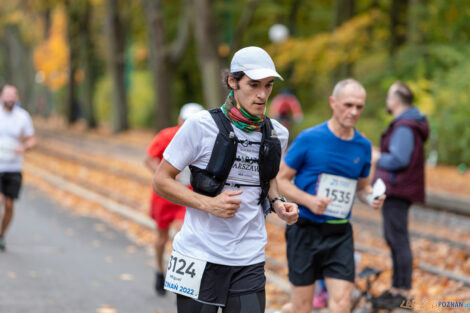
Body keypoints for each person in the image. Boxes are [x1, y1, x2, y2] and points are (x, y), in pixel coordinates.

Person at [152, 46, 298, 313]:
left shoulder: (277, 133)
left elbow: (269, 178)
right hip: (199, 254)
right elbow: (161, 180)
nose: (262, 94)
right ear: (232, 81)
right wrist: (209, 204)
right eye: (253, 85)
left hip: (249, 258)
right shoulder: (199, 126)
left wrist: (278, 202)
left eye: (268, 86)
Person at [276, 79, 386, 313]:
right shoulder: (309, 138)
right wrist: (309, 201)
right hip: (304, 230)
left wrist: (371, 198)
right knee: (302, 307)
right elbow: (280, 180)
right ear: (333, 103)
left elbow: (362, 187)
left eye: (359, 107)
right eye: (348, 105)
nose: (354, 111)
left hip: (339, 233)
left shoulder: (363, 146)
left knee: (341, 304)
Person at [371, 81, 429, 309]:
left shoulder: (404, 127)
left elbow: (399, 159)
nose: (387, 101)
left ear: (395, 101)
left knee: (398, 240)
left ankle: (403, 293)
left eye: (388, 97)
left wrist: (377, 156)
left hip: (398, 189)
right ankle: (397, 288)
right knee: (394, 237)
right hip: (398, 189)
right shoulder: (407, 124)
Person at [145, 103, 204, 296]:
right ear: (180, 120)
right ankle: (159, 270)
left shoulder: (206, 139)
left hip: (186, 196)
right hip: (163, 197)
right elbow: (149, 159)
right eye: (187, 121)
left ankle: (181, 282)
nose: (190, 125)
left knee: (183, 235)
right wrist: (165, 177)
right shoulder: (166, 136)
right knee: (162, 238)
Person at [0, 84, 36, 251]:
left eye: (13, 96)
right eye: (7, 95)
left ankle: (1, 235)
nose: (10, 99)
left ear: (17, 98)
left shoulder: (22, 117)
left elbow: (31, 140)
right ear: (1, 97)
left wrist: (24, 147)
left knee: (9, 205)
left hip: (14, 167)